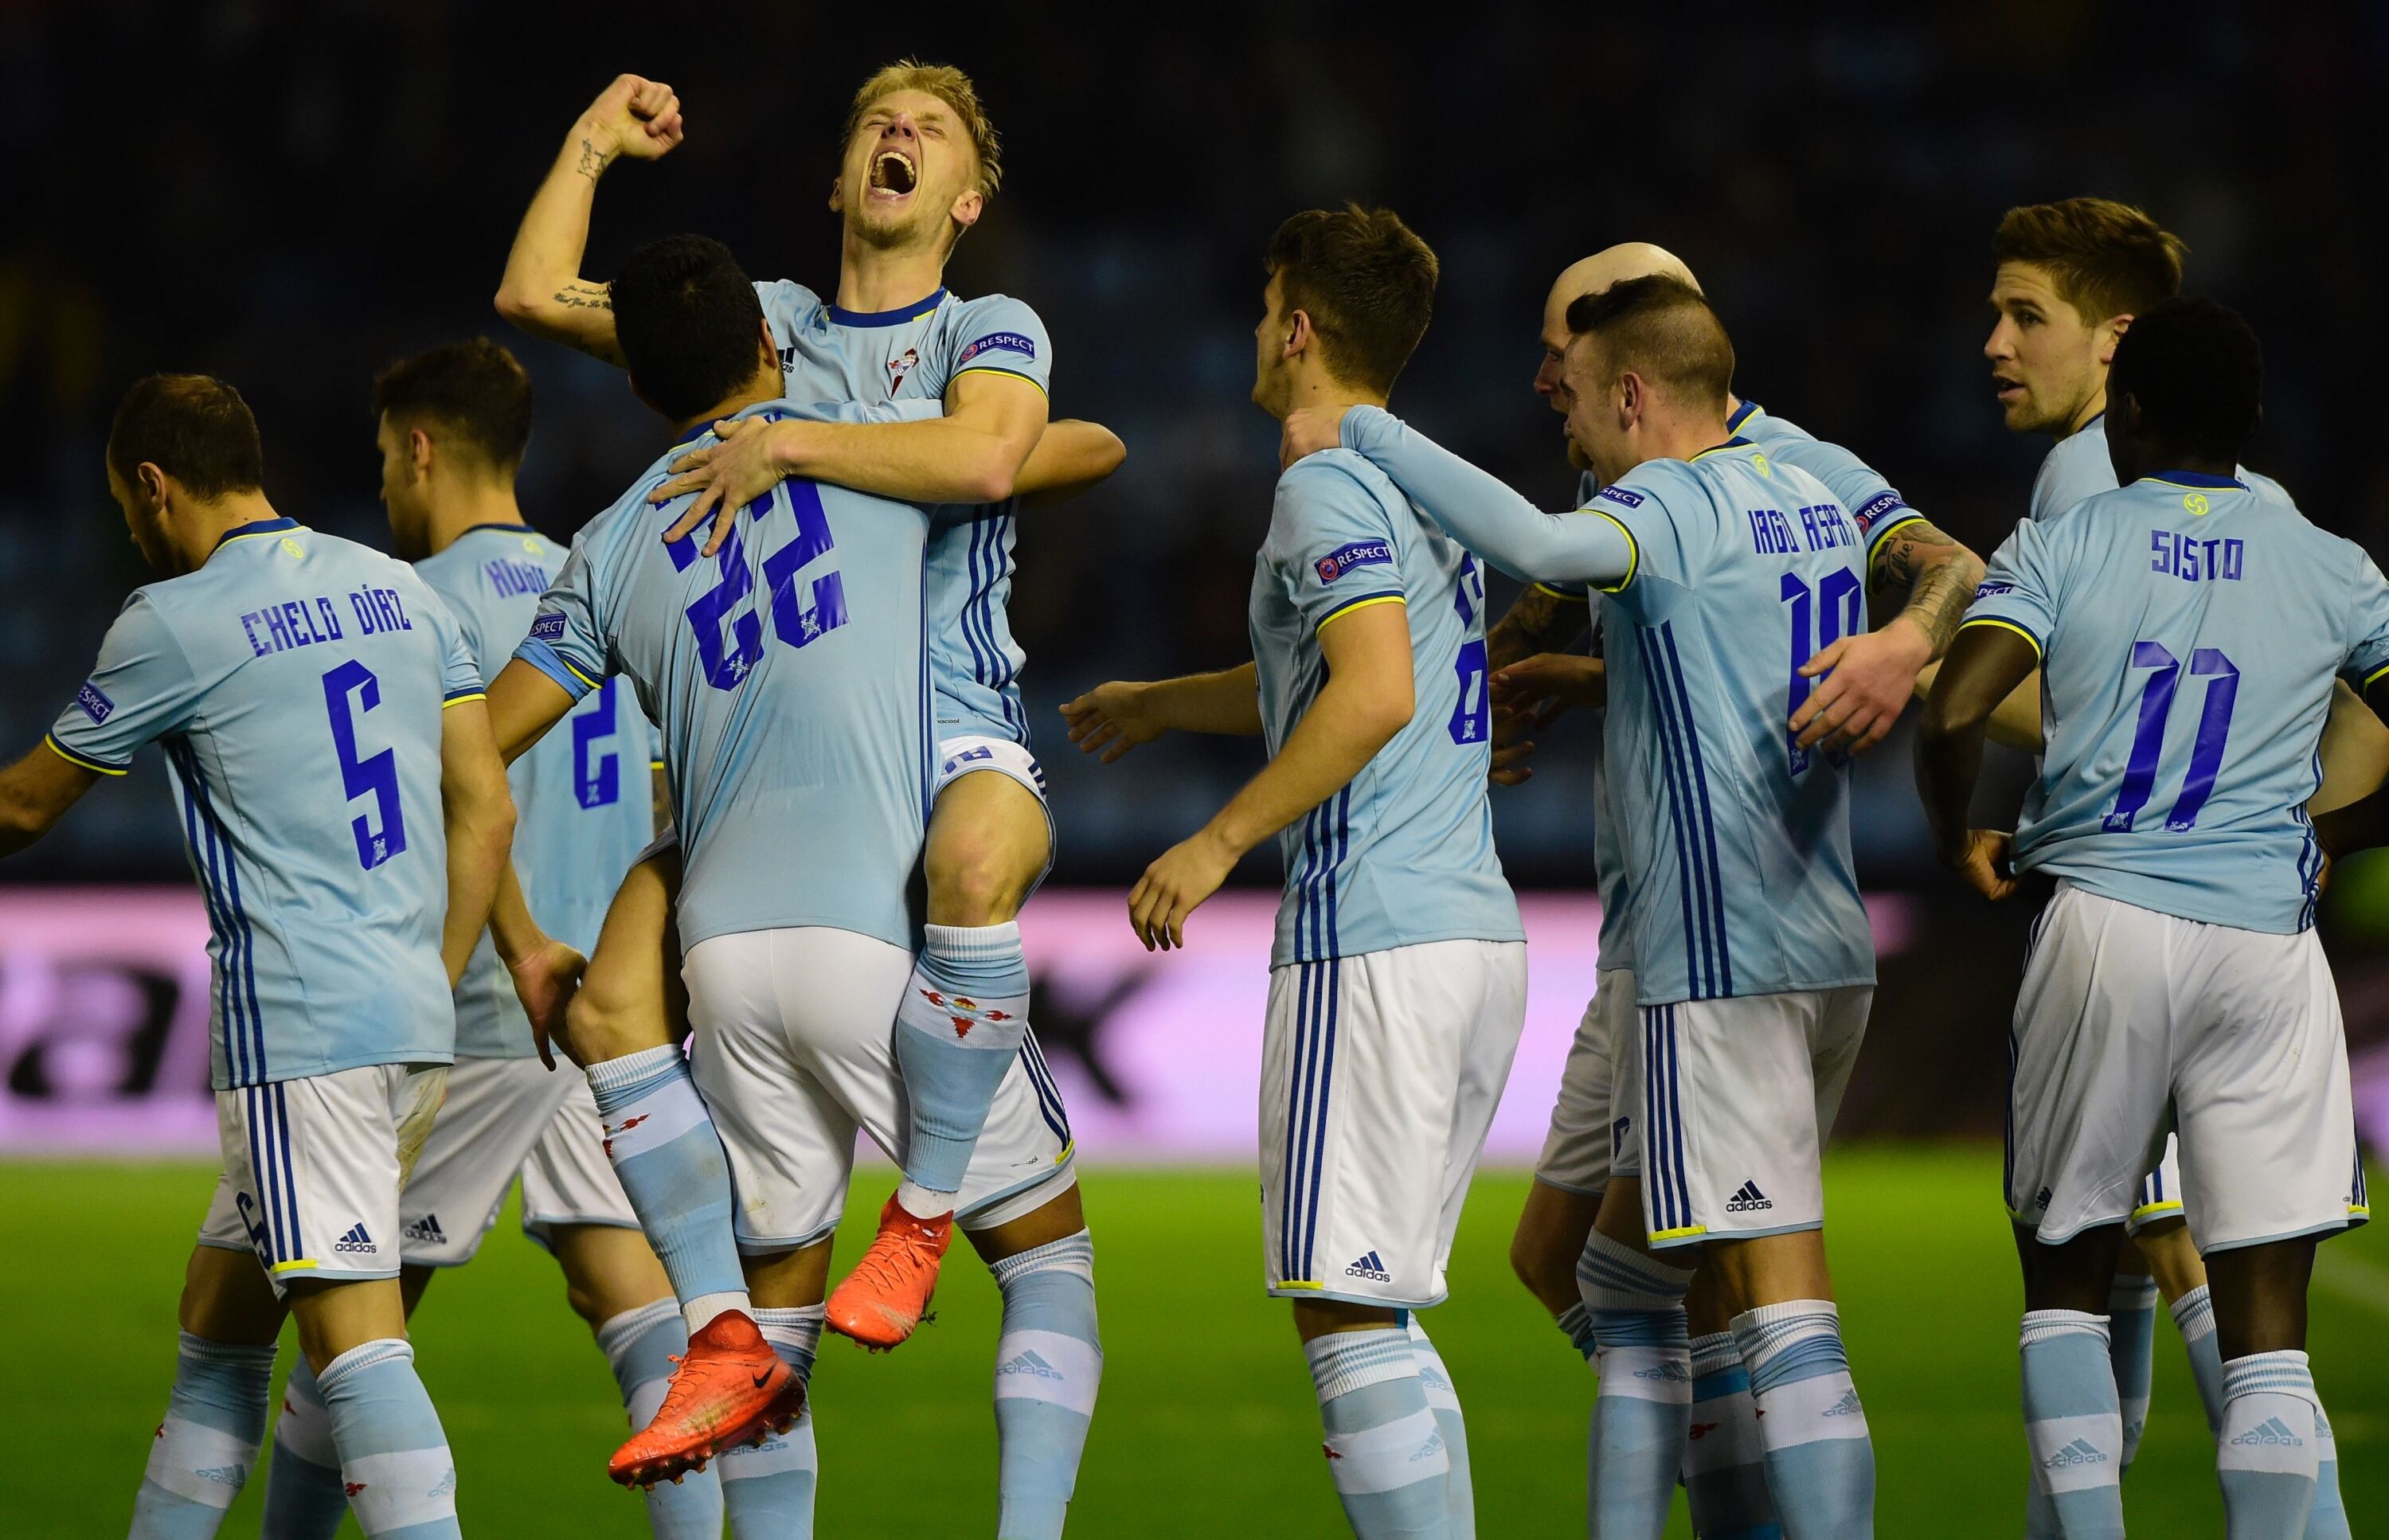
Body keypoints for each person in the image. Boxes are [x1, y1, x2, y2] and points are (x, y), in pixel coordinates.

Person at [1286, 273, 1980, 1538]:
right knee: (1619, 1273)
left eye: (1582, 394)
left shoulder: (1670, 495)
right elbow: (1725, 665)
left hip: (1717, 951)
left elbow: (1546, 549)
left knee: (1778, 1296)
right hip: (1827, 936)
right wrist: (1587, 674)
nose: (1576, 434)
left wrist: (1368, 430)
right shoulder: (1810, 494)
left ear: (1633, 391)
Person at [494, 63, 1119, 1370]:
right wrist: (592, 144)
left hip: (951, 725)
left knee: (976, 865)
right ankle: (723, 1337)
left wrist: (794, 445)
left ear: (963, 199)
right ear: (839, 180)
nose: (900, 133)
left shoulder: (985, 327)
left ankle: (923, 1212)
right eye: (874, 121)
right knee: (621, 1000)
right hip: (778, 755)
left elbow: (1010, 454)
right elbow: (532, 298)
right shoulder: (764, 324)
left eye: (933, 130)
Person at [1492, 244, 1980, 1540]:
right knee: (1576, 1262)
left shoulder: (1794, 468)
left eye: (1562, 351)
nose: (1545, 379)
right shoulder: (1641, 470)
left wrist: (1902, 642)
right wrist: (1571, 680)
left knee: (1739, 1281)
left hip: (1722, 935)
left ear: (1636, 361)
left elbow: (1954, 565)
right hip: (1648, 932)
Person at [1062, 205, 1519, 1540]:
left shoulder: (1322, 485)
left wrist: (1216, 840)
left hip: (1371, 932)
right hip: (1470, 934)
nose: (1256, 334)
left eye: (1269, 310)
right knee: (1381, 1306)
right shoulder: (1415, 488)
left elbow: (1370, 694)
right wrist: (1161, 702)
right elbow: (1337, 675)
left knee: (1342, 1310)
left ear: (1301, 329)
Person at [0, 374, 522, 1540]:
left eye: (130, 508)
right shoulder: (397, 590)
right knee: (219, 1319)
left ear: (152, 484)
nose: (133, 533)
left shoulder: (171, 619)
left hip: (299, 1028)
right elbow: (484, 808)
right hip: (408, 1018)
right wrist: (429, 976)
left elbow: (26, 807)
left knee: (358, 1342)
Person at [242, 338, 721, 1539]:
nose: (388, 488)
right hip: (608, 1015)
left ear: (418, 446)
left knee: (345, 1322)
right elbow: (672, 801)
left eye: (384, 459)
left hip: (477, 1009)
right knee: (634, 1303)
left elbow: (458, 805)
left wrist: (503, 940)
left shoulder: (405, 606)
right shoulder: (601, 577)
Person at [1918, 296, 2370, 1540]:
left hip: (2104, 921)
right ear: (2257, 421)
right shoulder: (2333, 562)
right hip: (2269, 947)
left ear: (2126, 411)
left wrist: (1957, 824)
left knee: (2068, 1279)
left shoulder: (2068, 541)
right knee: (2270, 1317)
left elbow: (1956, 711)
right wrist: (2329, 832)